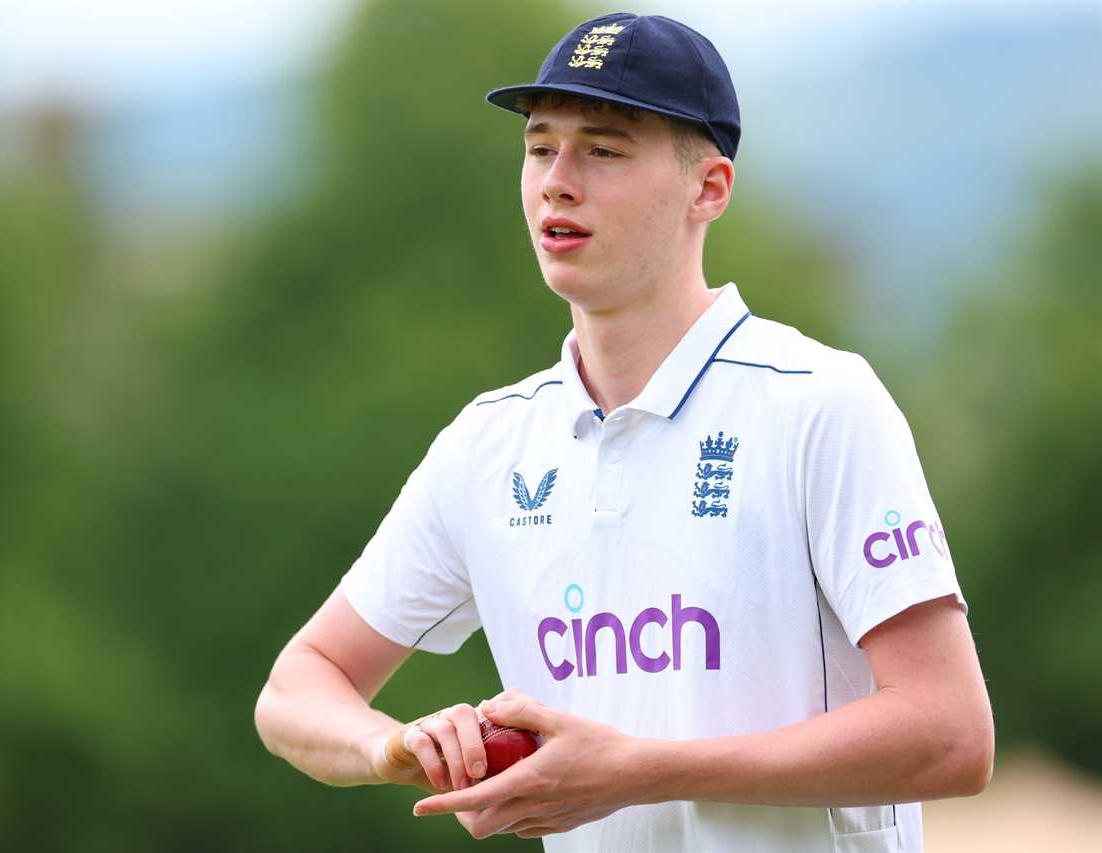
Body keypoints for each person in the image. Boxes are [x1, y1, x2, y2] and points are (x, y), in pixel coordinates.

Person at [254, 11, 993, 851]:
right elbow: (296, 689)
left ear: (708, 188)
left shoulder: (819, 402)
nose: (558, 182)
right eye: (540, 148)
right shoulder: (489, 445)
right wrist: (394, 746)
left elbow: (950, 734)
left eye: (603, 149)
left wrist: (639, 768)